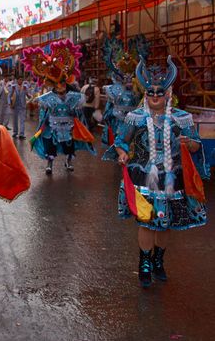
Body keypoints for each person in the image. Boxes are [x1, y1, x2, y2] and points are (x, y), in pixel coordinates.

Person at [104, 56, 210, 288]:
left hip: (172, 178)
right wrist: (122, 153)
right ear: (145, 94)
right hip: (143, 176)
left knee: (165, 222)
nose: (154, 96)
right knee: (146, 222)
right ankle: (144, 264)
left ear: (167, 94)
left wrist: (188, 144)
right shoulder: (136, 118)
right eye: (150, 92)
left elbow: (195, 144)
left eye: (159, 93)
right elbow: (121, 141)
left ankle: (158, 261)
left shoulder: (181, 119)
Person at [22, 39, 95, 174]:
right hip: (52, 124)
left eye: (62, 82)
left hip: (68, 125)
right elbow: (43, 114)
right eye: (57, 84)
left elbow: (78, 114)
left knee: (69, 145)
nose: (60, 86)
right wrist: (42, 125)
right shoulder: (47, 98)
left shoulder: (74, 97)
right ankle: (49, 164)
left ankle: (69, 161)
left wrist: (80, 124)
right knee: (50, 144)